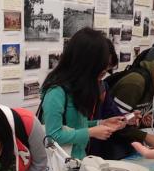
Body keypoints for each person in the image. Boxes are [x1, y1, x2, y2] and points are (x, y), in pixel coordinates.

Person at [40, 28, 126, 160]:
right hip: (61, 166)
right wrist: (90, 132)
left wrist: (101, 123)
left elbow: (75, 126)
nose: (102, 74)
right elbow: (53, 136)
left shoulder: (78, 87)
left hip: (78, 161)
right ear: (86, 64)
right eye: (101, 69)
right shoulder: (56, 91)